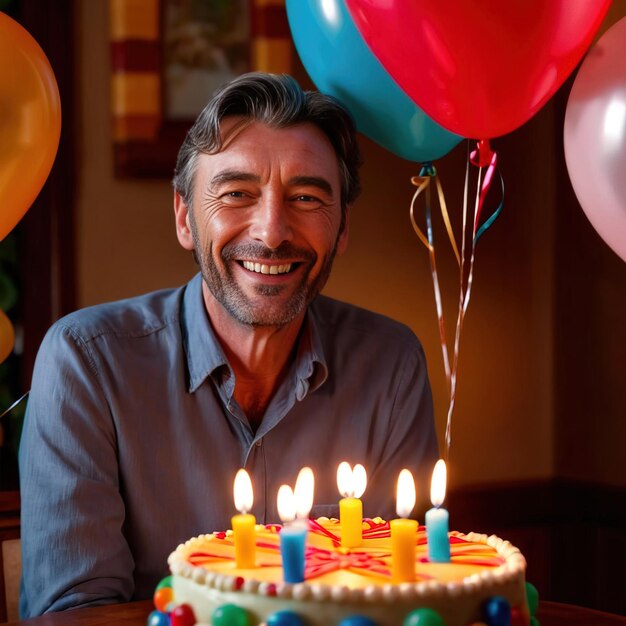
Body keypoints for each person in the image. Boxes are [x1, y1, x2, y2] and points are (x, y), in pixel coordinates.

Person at [18, 73, 438, 617]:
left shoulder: (391, 365)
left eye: (306, 197)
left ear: (342, 230)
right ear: (184, 217)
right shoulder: (85, 364)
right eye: (237, 193)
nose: (272, 231)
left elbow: (397, 601)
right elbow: (77, 616)